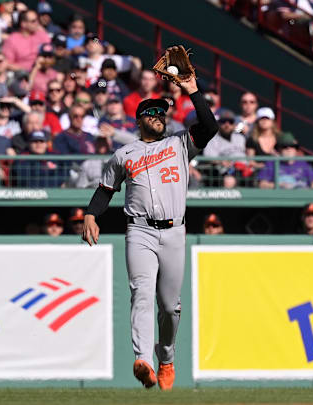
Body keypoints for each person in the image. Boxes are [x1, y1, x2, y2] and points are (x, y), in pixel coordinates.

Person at [82, 63, 218, 390]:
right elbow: (105, 189)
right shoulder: (124, 153)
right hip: (140, 231)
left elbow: (210, 127)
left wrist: (192, 89)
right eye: (153, 112)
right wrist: (90, 214)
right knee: (141, 294)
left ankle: (166, 357)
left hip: (174, 232)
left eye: (163, 113)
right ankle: (143, 358)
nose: (159, 116)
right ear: (140, 117)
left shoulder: (180, 144)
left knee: (171, 307)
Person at [202, 110, 249, 188]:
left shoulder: (240, 138)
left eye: (230, 122)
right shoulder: (213, 139)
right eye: (223, 121)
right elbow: (208, 158)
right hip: (225, 171)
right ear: (219, 123)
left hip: (244, 170)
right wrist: (221, 162)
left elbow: (248, 155)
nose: (227, 125)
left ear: (234, 124)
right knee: (229, 181)